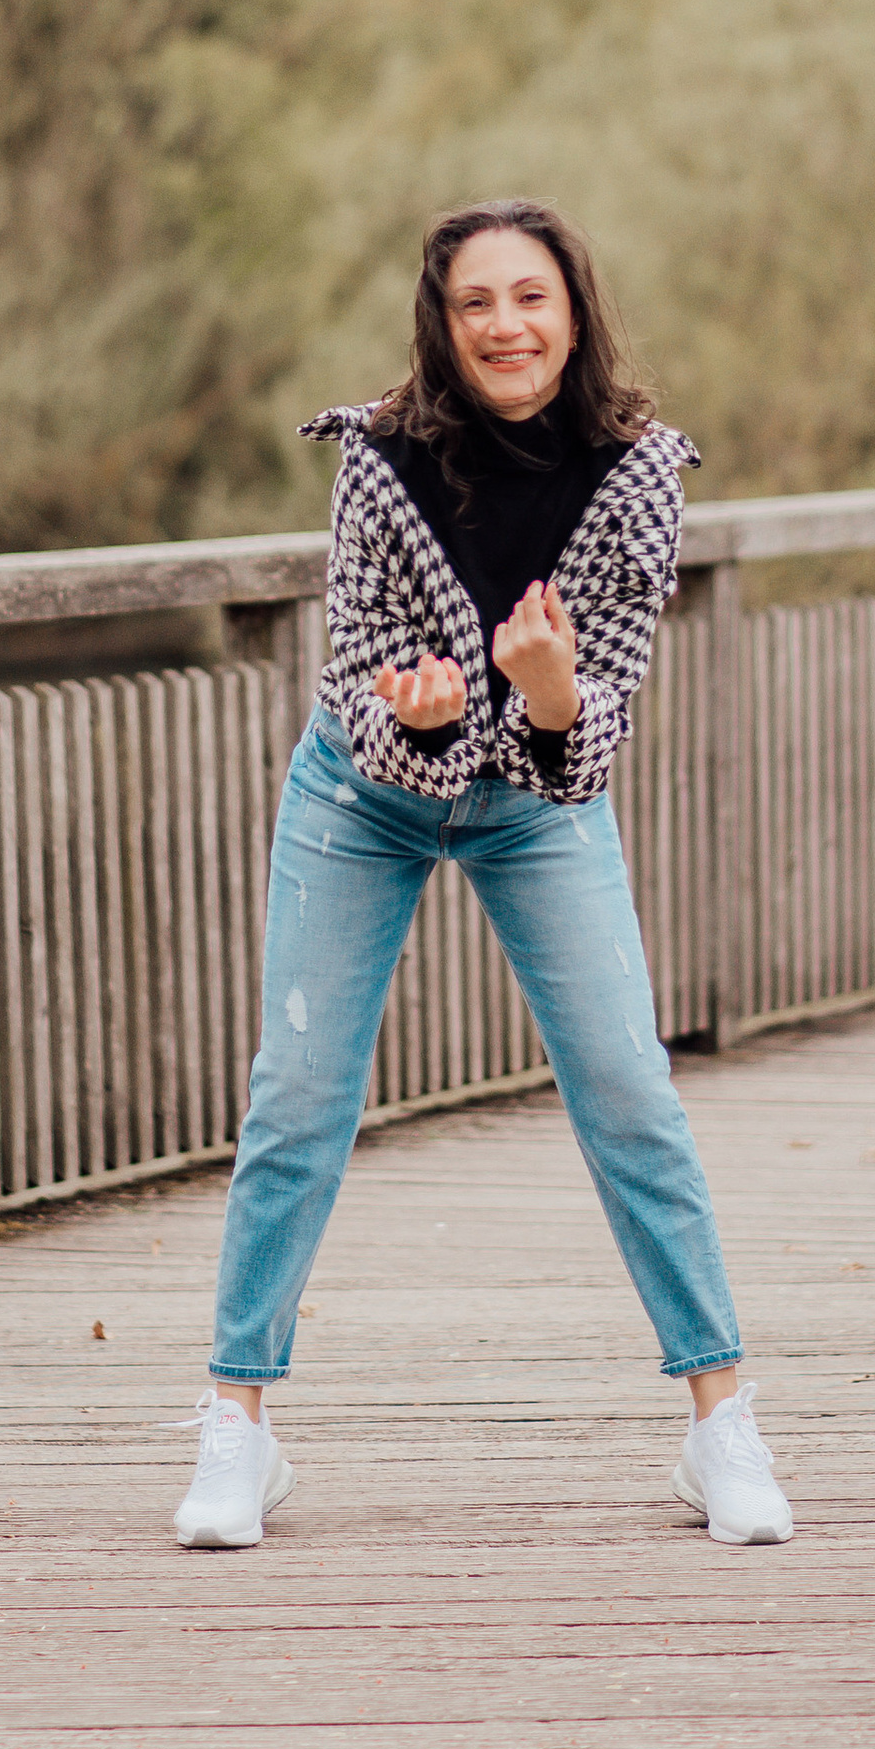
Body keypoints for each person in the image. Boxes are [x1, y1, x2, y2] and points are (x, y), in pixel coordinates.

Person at [173, 197, 793, 1551]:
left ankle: (719, 1419)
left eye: (531, 296)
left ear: (573, 307)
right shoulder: (380, 459)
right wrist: (431, 716)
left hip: (536, 806)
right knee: (298, 1095)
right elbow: (358, 662)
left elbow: (595, 733)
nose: (507, 325)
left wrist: (554, 704)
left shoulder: (638, 473)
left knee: (629, 1086)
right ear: (442, 327)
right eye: (477, 305)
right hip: (363, 794)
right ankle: (240, 1425)